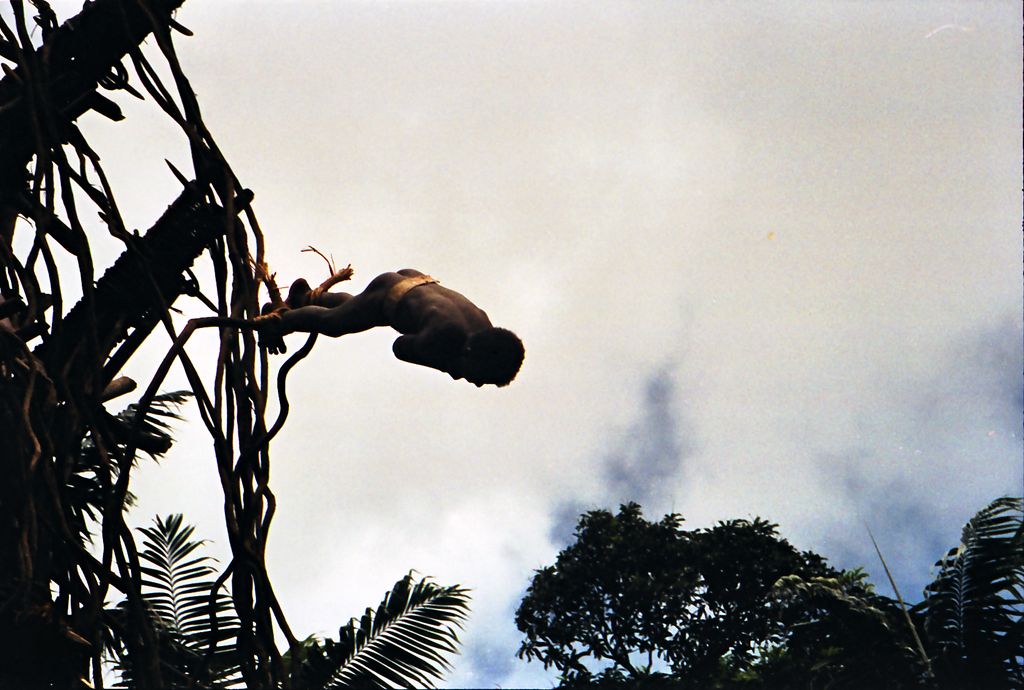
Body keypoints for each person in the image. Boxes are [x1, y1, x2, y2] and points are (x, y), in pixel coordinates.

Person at [255, 268, 524, 388]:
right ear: (471, 355)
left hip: (418, 284)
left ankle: (310, 299)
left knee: (357, 313)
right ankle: (280, 320)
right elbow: (400, 348)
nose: (476, 384)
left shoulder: (482, 327)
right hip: (391, 297)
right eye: (481, 378)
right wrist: (444, 362)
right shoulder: (446, 338)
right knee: (334, 324)